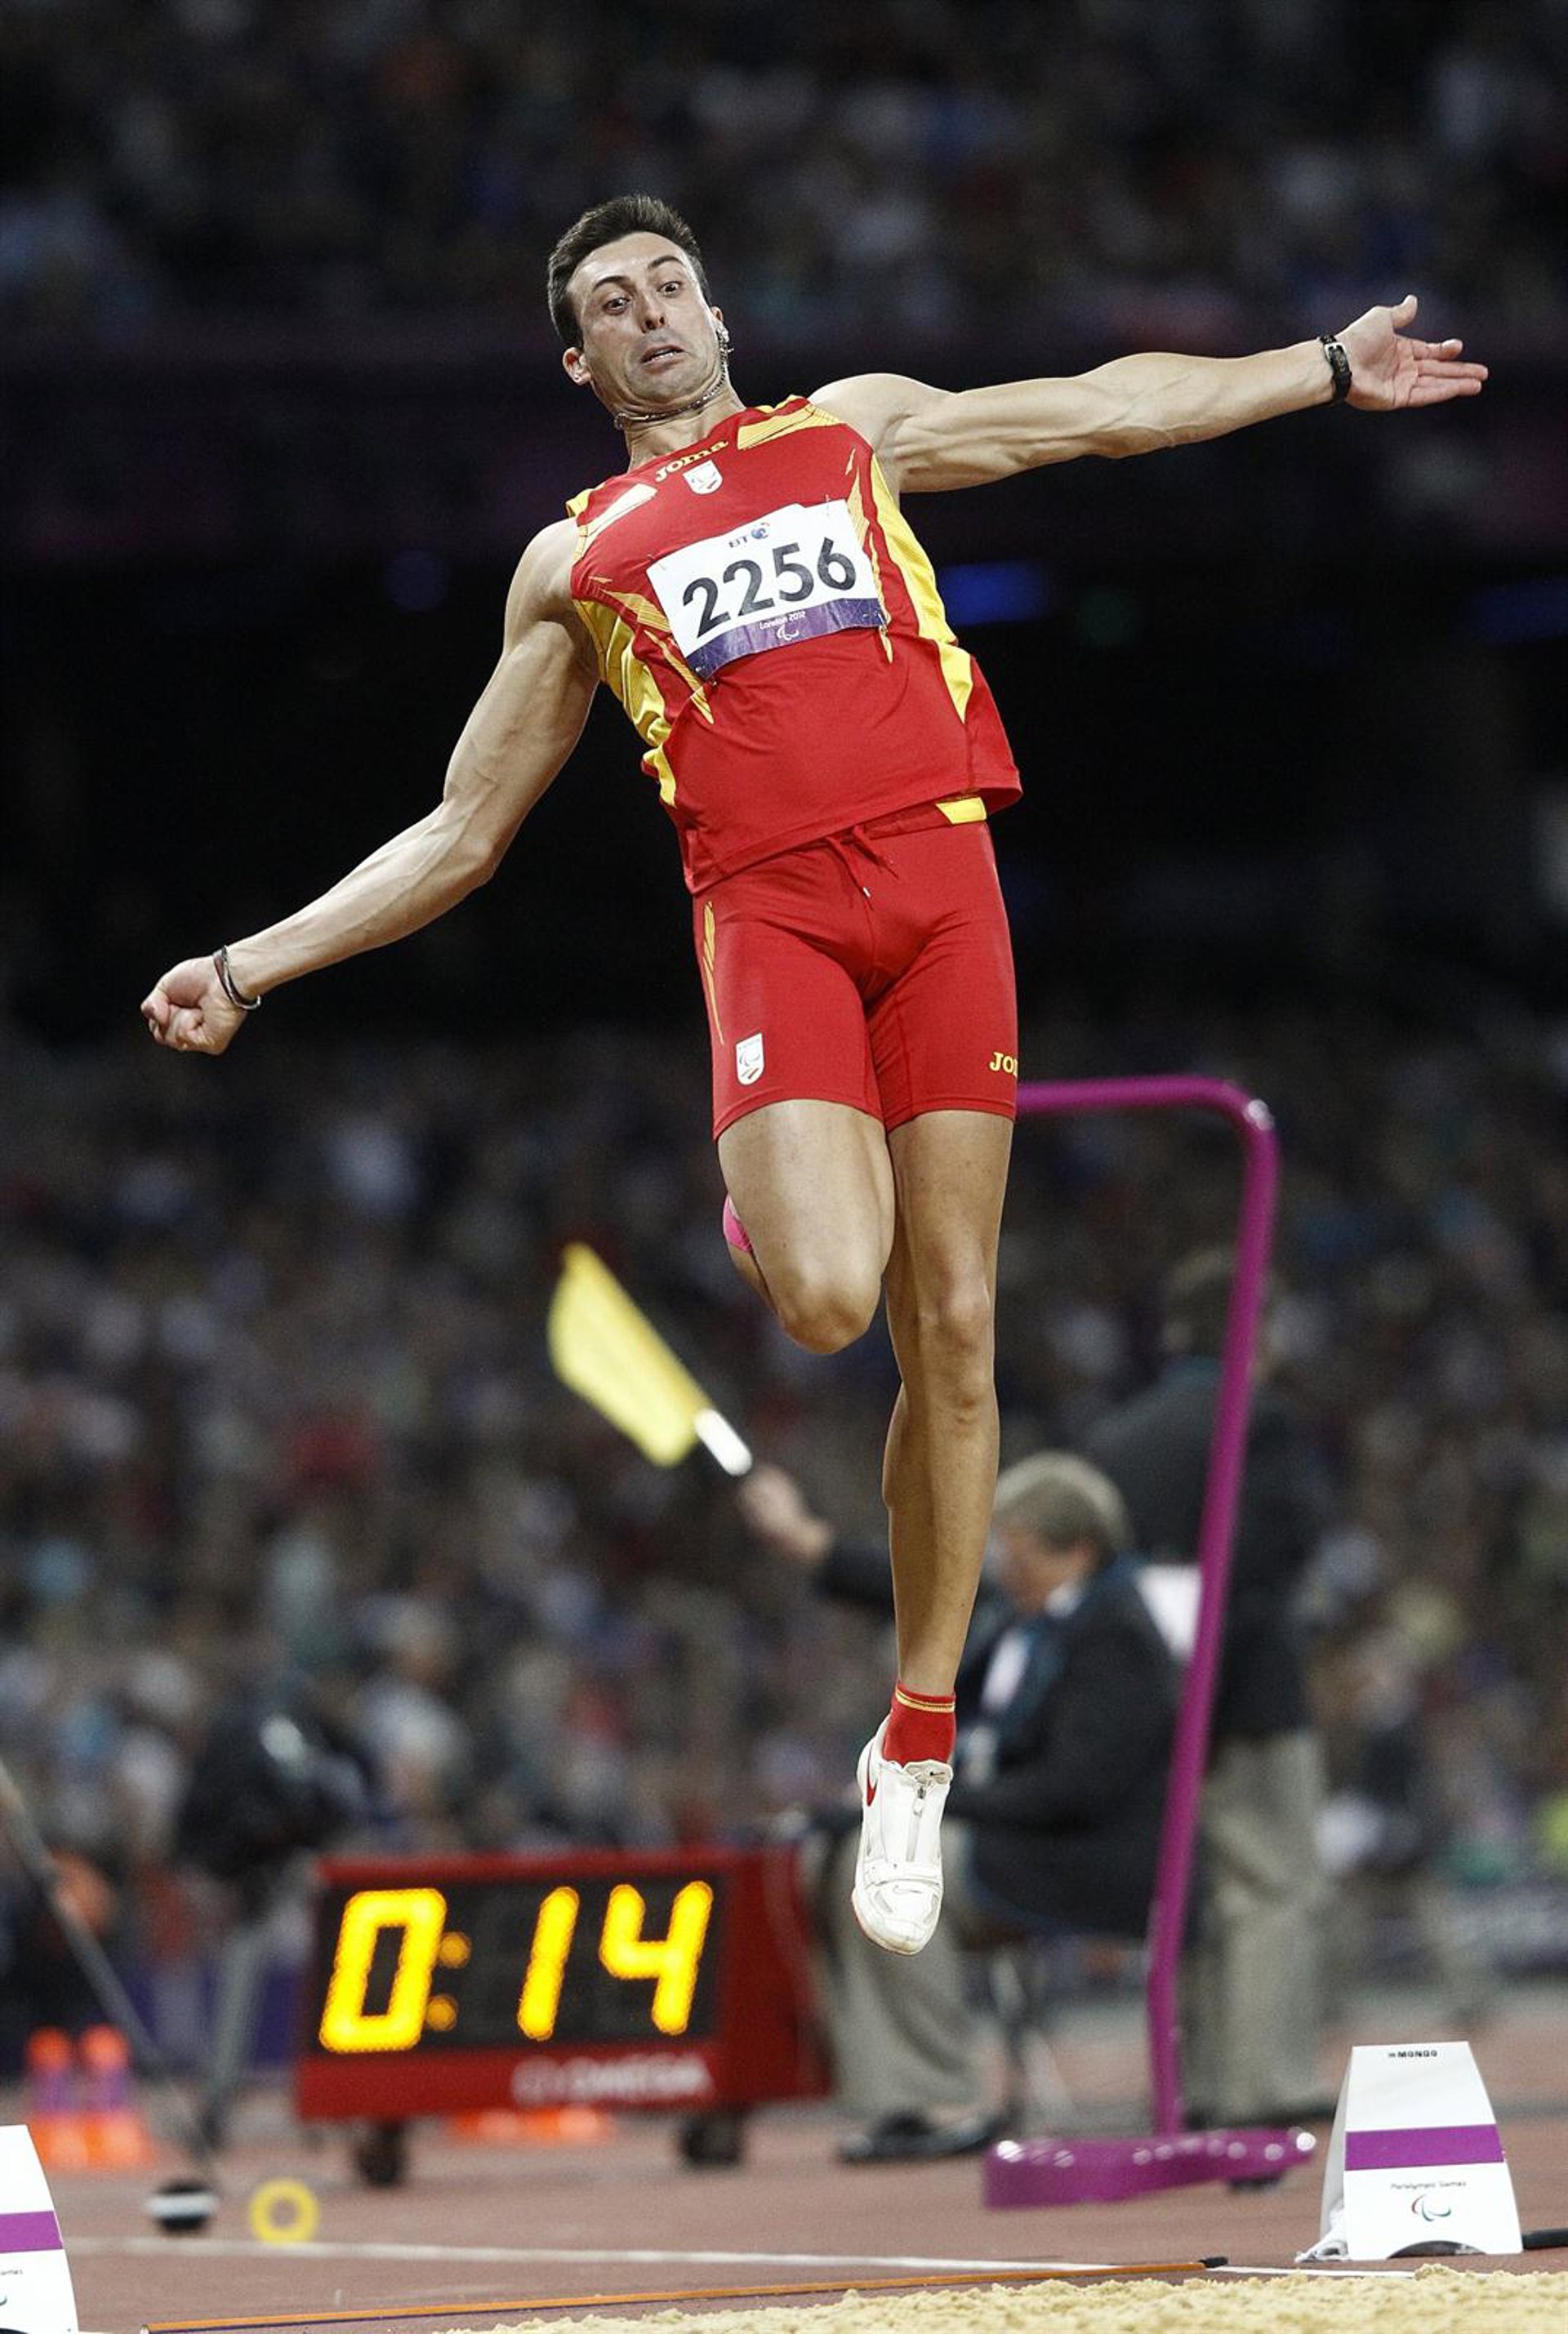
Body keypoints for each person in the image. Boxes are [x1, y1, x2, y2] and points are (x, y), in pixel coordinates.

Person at [140, 190, 1487, 1956]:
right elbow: (464, 831)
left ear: (716, 311)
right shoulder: (576, 560)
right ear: (580, 361)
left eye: (670, 283)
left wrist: (1318, 369)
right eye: (612, 302)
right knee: (835, 1300)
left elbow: (1099, 407)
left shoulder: (849, 433)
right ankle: (769, 1199)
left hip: (941, 889)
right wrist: (251, 962)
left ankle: (913, 1741)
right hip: (770, 914)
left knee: (957, 1320)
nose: (651, 312)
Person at [739, 1452, 1178, 2161]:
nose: (998, 1560)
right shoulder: (1023, 1617)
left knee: (889, 1863)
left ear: (1075, 1549)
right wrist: (802, 1539)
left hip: (1082, 1856)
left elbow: (1076, 1789)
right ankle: (898, 2097)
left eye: (1014, 1545)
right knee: (832, 1857)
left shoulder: (1113, 1635)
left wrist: (937, 1802)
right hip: (1011, 1835)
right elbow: (906, 1586)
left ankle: (943, 2095)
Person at [1082, 1247, 1334, 2125]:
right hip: (1249, 1701)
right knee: (1270, 1888)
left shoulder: (1117, 1438)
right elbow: (1269, 1562)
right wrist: (1212, 1699)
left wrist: (1164, 1708)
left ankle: (1195, 2082)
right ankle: (1263, 2085)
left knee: (1193, 1893)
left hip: (1155, 1705)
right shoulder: (1258, 1418)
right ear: (1253, 1328)